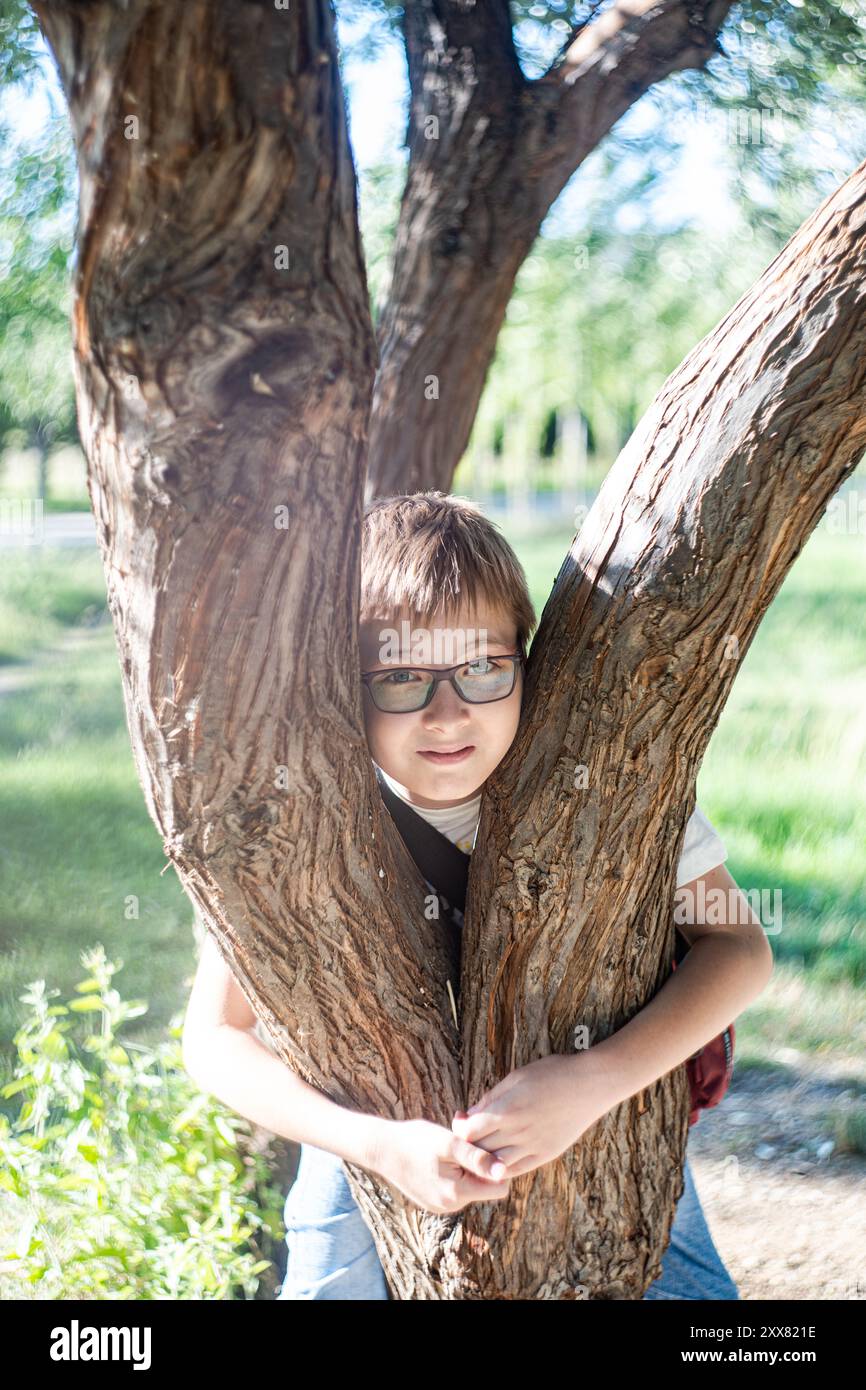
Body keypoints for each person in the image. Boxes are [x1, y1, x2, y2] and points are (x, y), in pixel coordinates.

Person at [182, 491, 774, 1300]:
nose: (449, 712)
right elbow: (212, 1037)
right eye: (401, 677)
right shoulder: (301, 817)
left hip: (609, 1114)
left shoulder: (607, 784)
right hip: (361, 1142)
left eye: (484, 668)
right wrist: (372, 1144)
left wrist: (593, 1084)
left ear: (525, 660)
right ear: (343, 681)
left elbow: (738, 949)